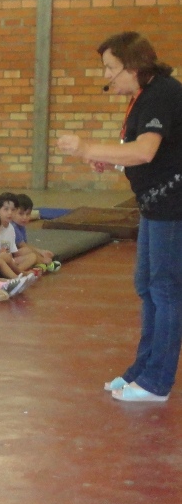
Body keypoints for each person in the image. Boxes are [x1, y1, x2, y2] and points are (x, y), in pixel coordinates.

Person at [58, 34, 182, 402]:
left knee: (165, 291)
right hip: (154, 205)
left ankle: (157, 382)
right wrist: (109, 157)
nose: (108, 76)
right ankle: (142, 370)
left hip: (172, 207)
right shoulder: (143, 98)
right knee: (147, 287)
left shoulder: (163, 93)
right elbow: (138, 150)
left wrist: (86, 147)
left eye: (111, 68)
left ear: (134, 67)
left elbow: (146, 152)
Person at [13, 194, 59, 272]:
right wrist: (41, 256)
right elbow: (23, 246)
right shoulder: (13, 227)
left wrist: (41, 252)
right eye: (21, 214)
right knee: (29, 253)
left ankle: (41, 264)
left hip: (14, 255)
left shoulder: (21, 226)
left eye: (27, 214)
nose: (25, 217)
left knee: (29, 252)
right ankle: (42, 263)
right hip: (10, 257)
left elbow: (24, 245)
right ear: (12, 212)